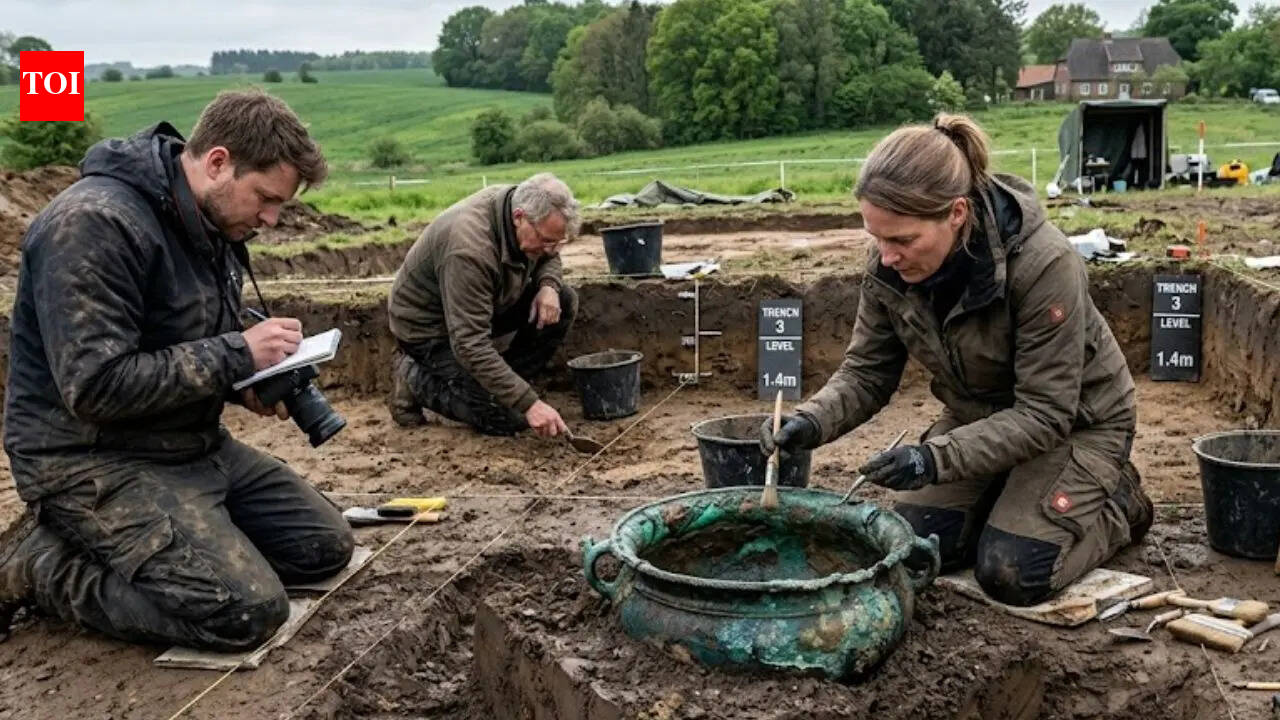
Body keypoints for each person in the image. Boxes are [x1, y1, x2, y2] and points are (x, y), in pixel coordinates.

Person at [0, 90, 354, 649]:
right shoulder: (92, 225)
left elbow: (185, 333)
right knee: (246, 613)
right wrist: (239, 354)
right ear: (217, 162)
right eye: (265, 198)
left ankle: (176, 549)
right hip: (90, 458)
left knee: (323, 547)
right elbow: (95, 387)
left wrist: (248, 385)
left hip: (189, 443)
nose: (271, 217)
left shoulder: (207, 221)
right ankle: (39, 565)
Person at [761, 113, 1153, 607]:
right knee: (916, 547)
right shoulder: (888, 268)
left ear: (957, 214)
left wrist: (931, 459)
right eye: (876, 237)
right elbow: (867, 371)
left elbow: (1045, 413)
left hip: (1077, 424)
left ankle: (1119, 502)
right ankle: (1007, 497)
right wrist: (810, 422)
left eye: (902, 240)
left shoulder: (1043, 265)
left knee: (1011, 571)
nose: (886, 256)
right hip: (978, 418)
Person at [387, 173, 579, 438]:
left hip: (482, 305)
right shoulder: (469, 250)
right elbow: (469, 343)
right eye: (546, 240)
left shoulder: (519, 205)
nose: (551, 249)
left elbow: (550, 256)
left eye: (558, 242)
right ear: (519, 217)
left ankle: (501, 387)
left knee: (564, 300)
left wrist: (548, 284)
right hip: (429, 329)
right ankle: (414, 380)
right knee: (508, 419)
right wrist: (527, 404)